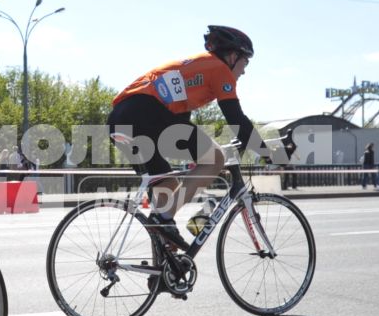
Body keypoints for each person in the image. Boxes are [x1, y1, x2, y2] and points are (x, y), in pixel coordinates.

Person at [107, 25, 275, 252]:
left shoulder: (196, 69)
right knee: (215, 158)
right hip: (144, 114)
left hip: (121, 119)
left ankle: (163, 274)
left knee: (167, 188)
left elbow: (181, 122)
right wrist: (267, 154)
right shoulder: (220, 69)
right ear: (233, 56)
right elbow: (236, 119)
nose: (244, 71)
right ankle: (163, 219)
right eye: (245, 62)